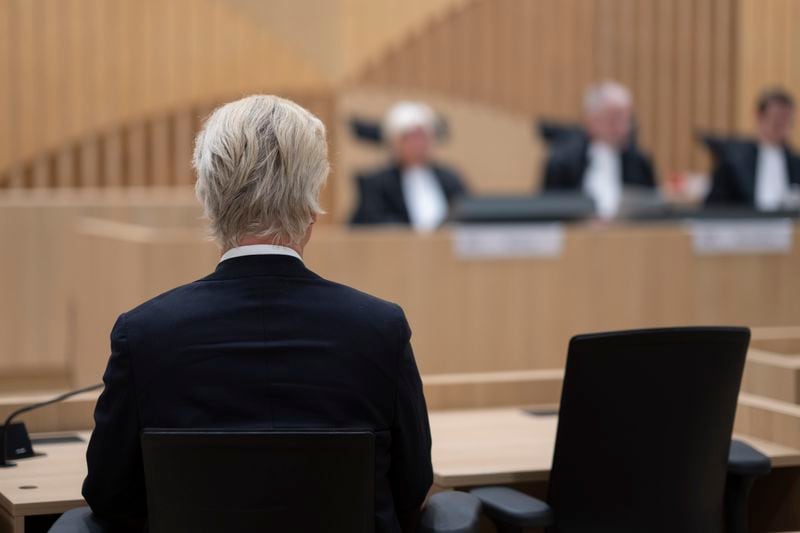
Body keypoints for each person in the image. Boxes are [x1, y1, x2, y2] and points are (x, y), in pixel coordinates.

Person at [82, 95, 432, 533]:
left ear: (209, 204)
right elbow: (413, 488)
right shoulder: (380, 329)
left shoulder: (144, 335)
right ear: (311, 209)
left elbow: (108, 495)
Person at [541, 81, 656, 218]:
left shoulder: (639, 163)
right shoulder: (563, 162)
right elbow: (548, 210)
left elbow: (652, 211)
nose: (623, 128)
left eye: (627, 119)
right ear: (591, 120)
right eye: (614, 119)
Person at [350, 101, 468, 230]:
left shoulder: (450, 179)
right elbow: (367, 225)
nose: (418, 143)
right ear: (395, 142)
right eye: (410, 138)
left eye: (422, 136)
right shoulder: (377, 184)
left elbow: (468, 213)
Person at [706, 88, 800, 210]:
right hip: (742, 226)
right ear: (759, 117)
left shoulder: (795, 163)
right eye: (776, 120)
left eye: (786, 121)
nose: (781, 126)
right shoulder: (734, 160)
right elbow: (714, 204)